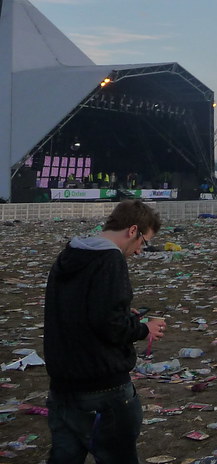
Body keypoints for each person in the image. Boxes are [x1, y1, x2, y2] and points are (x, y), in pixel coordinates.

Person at [44, 198, 167, 464]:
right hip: (103, 390)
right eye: (143, 242)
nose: (139, 252)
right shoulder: (109, 260)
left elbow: (76, 312)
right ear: (132, 230)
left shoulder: (69, 255)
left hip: (63, 387)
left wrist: (122, 314)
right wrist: (143, 329)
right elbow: (109, 325)